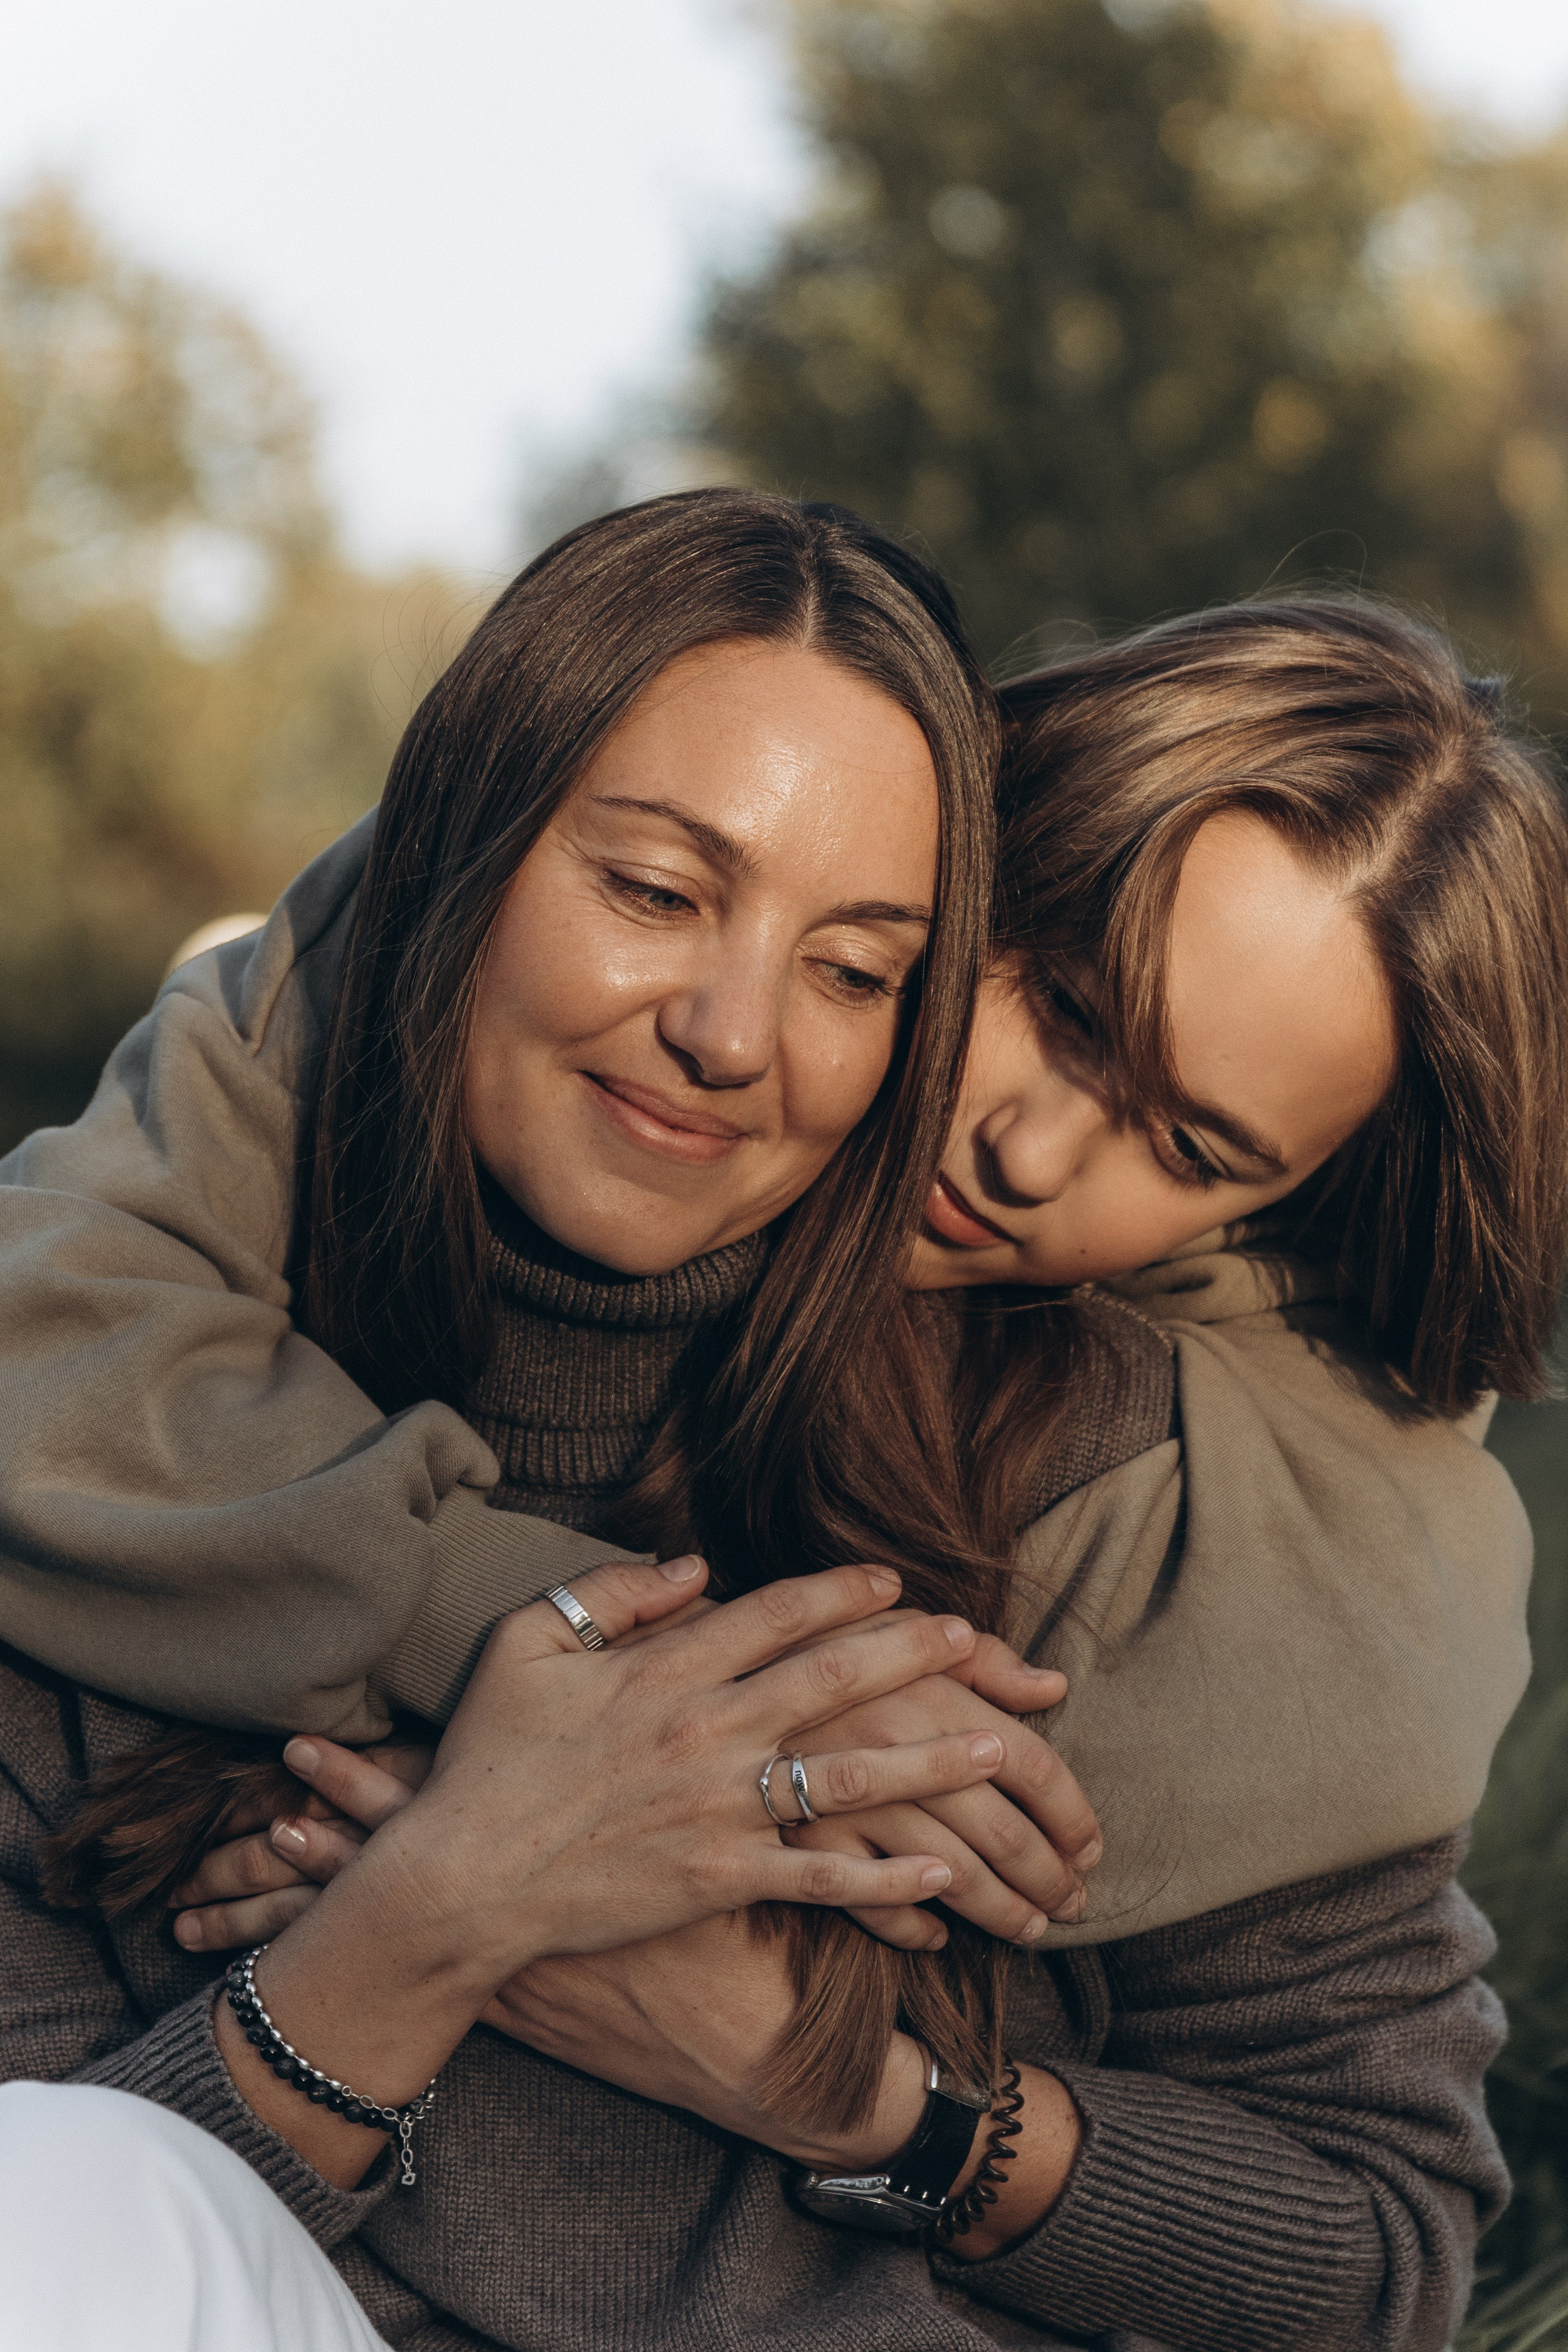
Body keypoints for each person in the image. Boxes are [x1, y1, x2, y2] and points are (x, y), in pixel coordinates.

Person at [0, 578, 1558, 2348]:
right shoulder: (177, 1365)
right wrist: (449, 1901)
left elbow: (1374, 2254)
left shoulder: (1155, 1523)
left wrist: (856, 2099)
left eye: (1187, 1146)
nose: (1033, 1153)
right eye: (1060, 1002)